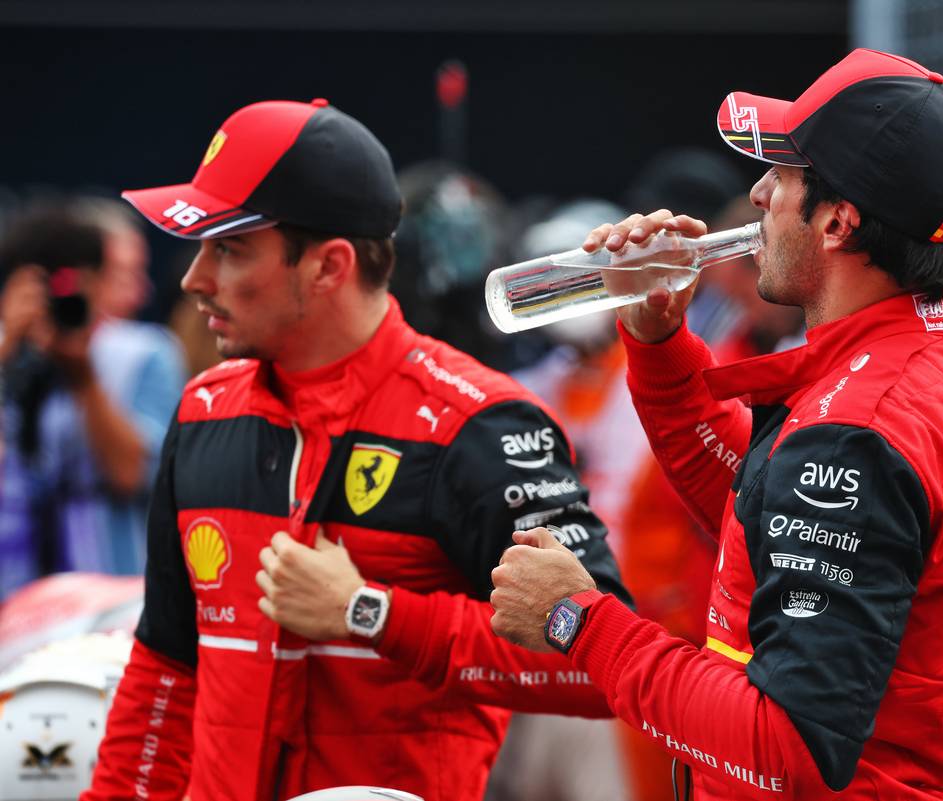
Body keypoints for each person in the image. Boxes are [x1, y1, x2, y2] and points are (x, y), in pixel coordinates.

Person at [490, 49, 943, 799]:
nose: (756, 195)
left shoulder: (858, 427)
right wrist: (657, 338)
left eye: (781, 175)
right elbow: (758, 514)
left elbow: (788, 748)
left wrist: (577, 621)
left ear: (839, 221)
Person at [83, 98, 630, 801]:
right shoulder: (204, 411)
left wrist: (371, 611)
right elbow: (164, 668)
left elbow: (599, 664)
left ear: (328, 266)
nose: (194, 280)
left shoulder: (481, 426)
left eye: (229, 248)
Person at [0, 207, 185, 593]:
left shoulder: (144, 352)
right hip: (13, 602)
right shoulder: (8, 357)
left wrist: (82, 375)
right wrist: (6, 346)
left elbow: (131, 473)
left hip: (110, 599)